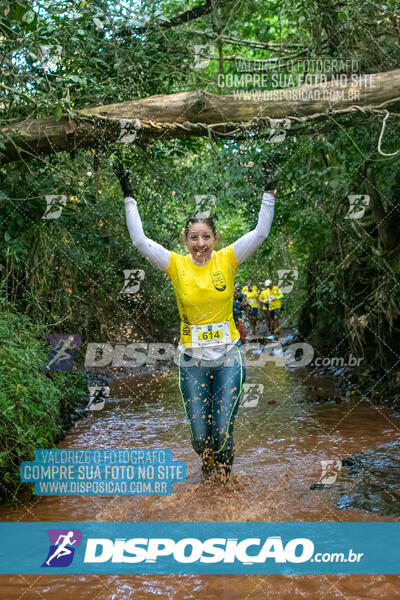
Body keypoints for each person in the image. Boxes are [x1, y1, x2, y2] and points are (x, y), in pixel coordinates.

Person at [113, 160, 276, 483]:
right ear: (185, 240)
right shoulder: (175, 265)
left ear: (216, 237)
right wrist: (128, 193)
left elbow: (260, 232)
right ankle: (207, 469)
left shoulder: (228, 259)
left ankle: (224, 489)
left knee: (223, 431)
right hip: (191, 361)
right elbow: (140, 241)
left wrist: (269, 190)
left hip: (228, 357)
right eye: (193, 238)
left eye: (206, 237)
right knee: (201, 438)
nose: (200, 244)